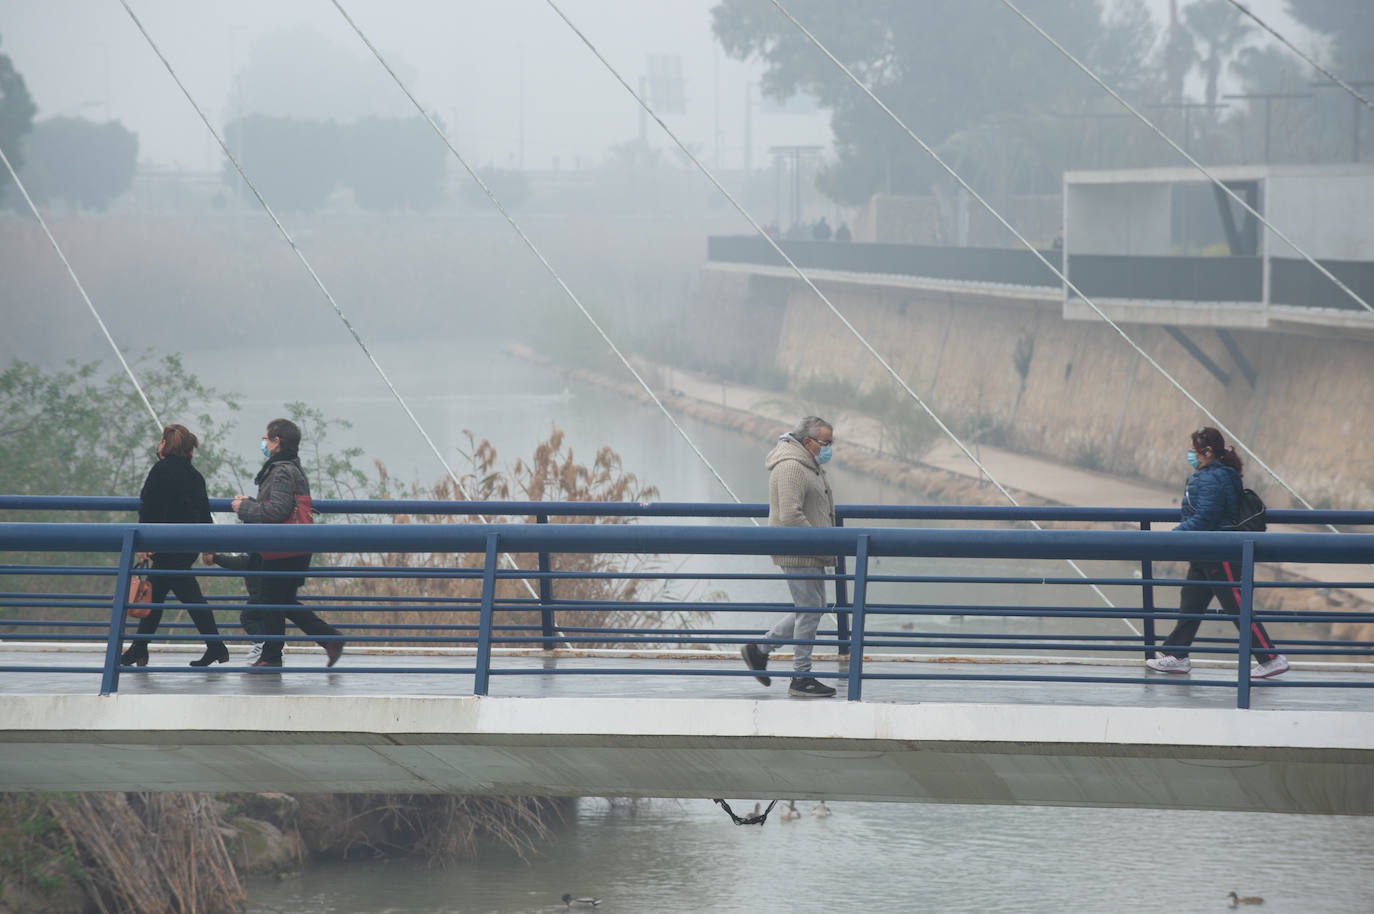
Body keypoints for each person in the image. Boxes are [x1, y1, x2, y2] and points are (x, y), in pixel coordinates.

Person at [1146, 426, 1288, 678]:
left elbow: (1206, 517)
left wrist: (1174, 535)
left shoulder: (1211, 477)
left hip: (1219, 551)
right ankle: (1177, 655)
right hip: (1204, 550)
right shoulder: (1214, 474)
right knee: (1191, 602)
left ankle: (1271, 658)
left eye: (1193, 450)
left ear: (1207, 452)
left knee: (1236, 606)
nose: (1190, 454)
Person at [231, 418, 344, 668]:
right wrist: (251, 501)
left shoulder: (281, 469)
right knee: (284, 602)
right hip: (293, 546)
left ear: (276, 441)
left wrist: (244, 508)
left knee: (271, 600)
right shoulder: (291, 466)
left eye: (266, 438)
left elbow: (277, 512)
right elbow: (280, 505)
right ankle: (329, 639)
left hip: (282, 548)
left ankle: (272, 656)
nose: (263, 442)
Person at [740, 416, 838, 698]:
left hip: (809, 549)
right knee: (810, 608)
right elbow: (790, 515)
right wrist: (819, 543)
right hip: (799, 550)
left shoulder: (809, 464)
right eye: (825, 443)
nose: (829, 448)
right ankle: (800, 676)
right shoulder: (792, 467)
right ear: (808, 442)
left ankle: (760, 649)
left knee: (813, 607)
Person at [121, 424, 228, 667]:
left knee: (188, 596)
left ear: (166, 445)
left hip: (164, 544)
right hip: (186, 545)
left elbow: (149, 509)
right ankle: (139, 649)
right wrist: (208, 544)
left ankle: (216, 646)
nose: (157, 445)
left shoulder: (161, 471)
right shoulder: (194, 475)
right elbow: (203, 512)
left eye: (160, 441)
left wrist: (144, 542)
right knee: (156, 594)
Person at [201, 550, 266, 664]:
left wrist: (215, 558)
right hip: (264, 590)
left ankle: (263, 645)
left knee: (247, 617)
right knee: (260, 618)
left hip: (262, 592)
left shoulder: (255, 547)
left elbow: (240, 562)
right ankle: (268, 648)